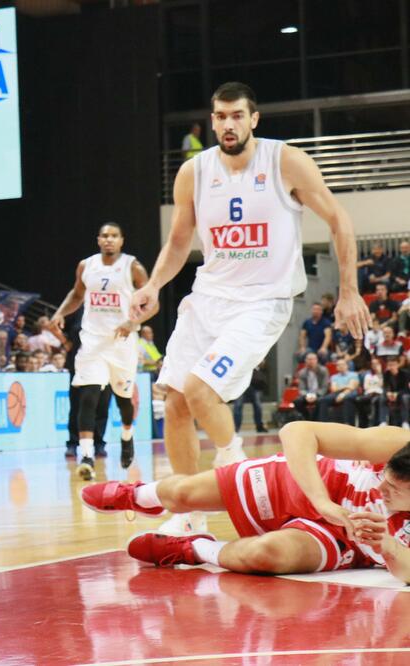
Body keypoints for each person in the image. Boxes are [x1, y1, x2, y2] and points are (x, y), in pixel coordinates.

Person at [129, 82, 370, 535]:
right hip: (208, 298)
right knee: (177, 401)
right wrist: (156, 285)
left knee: (201, 390)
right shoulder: (194, 172)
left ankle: (234, 460)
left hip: (263, 300)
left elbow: (339, 219)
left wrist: (350, 290)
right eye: (220, 116)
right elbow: (180, 240)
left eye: (237, 115)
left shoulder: (285, 161)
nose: (227, 124)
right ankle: (188, 516)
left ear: (253, 119)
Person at [81, 421, 410, 582]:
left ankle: (193, 548)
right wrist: (323, 503)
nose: (382, 488)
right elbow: (296, 431)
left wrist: (388, 546)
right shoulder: (400, 442)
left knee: (263, 554)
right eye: (383, 476)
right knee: (183, 495)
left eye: (394, 489)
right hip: (321, 484)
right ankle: (141, 495)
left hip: (344, 540)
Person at [52, 222, 156, 476]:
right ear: (98, 239)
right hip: (92, 341)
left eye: (114, 236)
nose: (109, 239)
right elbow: (76, 296)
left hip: (121, 343)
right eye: (105, 236)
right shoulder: (86, 266)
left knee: (123, 400)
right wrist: (59, 312)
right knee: (88, 396)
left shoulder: (133, 267)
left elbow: (153, 304)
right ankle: (86, 455)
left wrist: (133, 323)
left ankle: (127, 435)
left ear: (122, 240)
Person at [317, 358, 359, 425]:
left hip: (350, 393)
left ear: (347, 366)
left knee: (347, 398)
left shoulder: (353, 374)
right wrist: (345, 386)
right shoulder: (334, 377)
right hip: (336, 393)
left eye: (343, 364)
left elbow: (351, 387)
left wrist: (342, 394)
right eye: (339, 365)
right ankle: (322, 423)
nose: (341, 366)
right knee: (323, 400)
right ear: (337, 367)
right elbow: (334, 389)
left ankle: (348, 423)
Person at [232, 362, 267, 433]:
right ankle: (236, 428)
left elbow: (262, 365)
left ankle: (259, 426)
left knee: (258, 406)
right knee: (238, 406)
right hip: (241, 385)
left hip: (254, 385)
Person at [295, 352, 329, 421]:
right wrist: (307, 395)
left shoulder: (323, 370)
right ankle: (307, 417)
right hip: (307, 394)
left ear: (317, 360)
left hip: (319, 394)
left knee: (321, 401)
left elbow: (324, 387)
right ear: (305, 361)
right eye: (309, 359)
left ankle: (315, 421)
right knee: (297, 401)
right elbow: (301, 388)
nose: (311, 361)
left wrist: (315, 395)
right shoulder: (302, 372)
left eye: (313, 359)